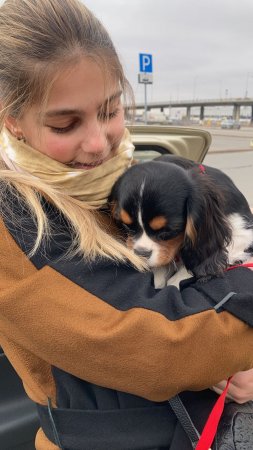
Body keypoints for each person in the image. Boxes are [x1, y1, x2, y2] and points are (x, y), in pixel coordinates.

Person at [0, 1, 252, 449]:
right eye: (66, 123)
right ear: (12, 121)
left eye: (110, 110)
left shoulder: (135, 176)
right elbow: (164, 349)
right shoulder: (15, 219)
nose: (98, 143)